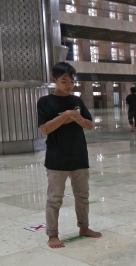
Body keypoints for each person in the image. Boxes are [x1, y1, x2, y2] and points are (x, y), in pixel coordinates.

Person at [37, 62, 102, 248]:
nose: (68, 85)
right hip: (57, 159)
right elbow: (45, 129)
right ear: (54, 80)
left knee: (82, 196)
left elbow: (90, 125)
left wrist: (77, 117)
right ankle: (52, 235)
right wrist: (66, 115)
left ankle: (84, 227)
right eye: (64, 81)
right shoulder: (45, 102)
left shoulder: (77, 101)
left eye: (71, 81)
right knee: (54, 199)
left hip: (79, 156)